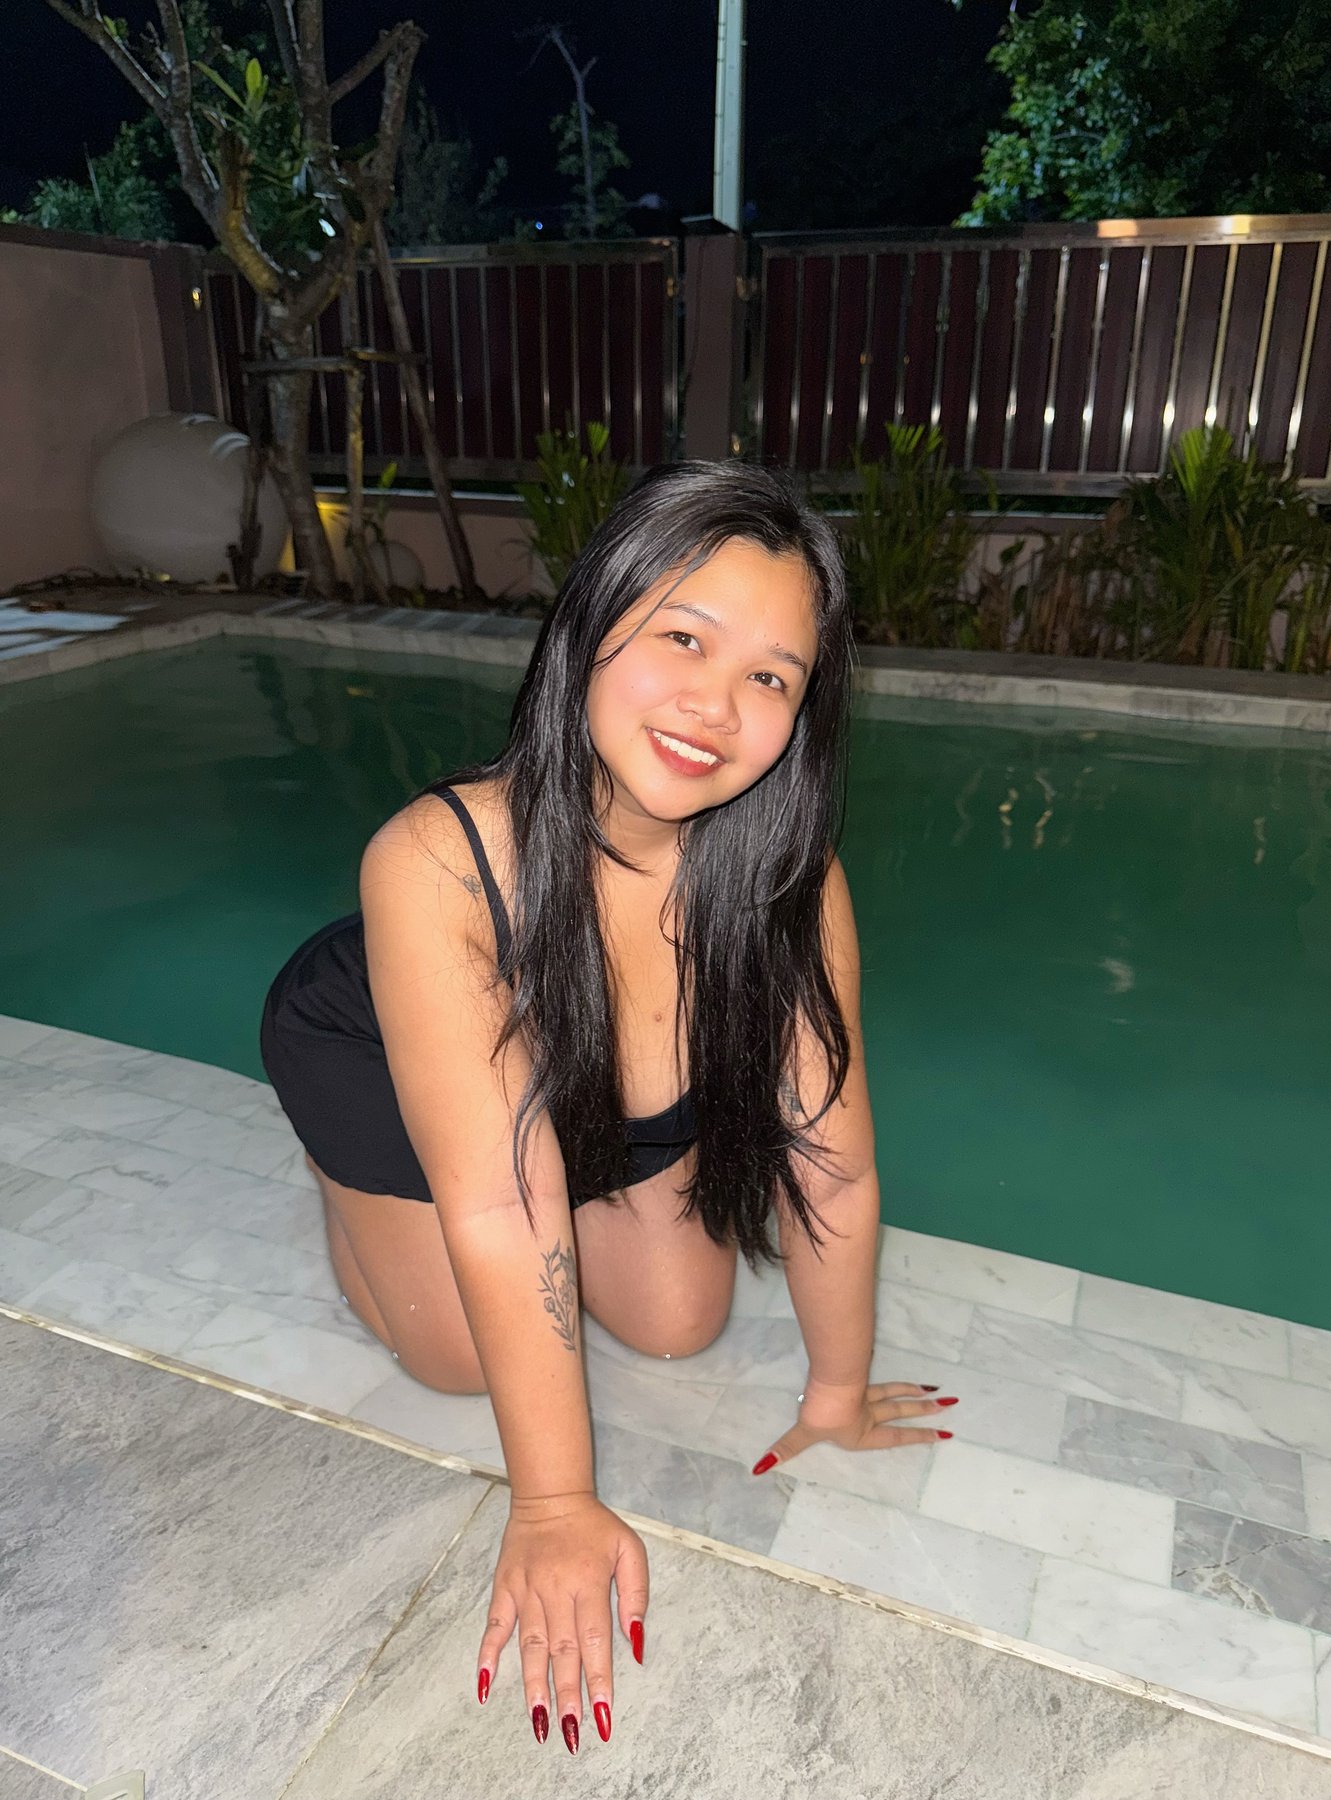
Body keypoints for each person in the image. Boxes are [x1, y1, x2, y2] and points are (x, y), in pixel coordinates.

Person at [259, 459, 956, 1757]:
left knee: (681, 1324)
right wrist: (553, 1504)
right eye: (684, 637)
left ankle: (565, 1149)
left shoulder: (788, 886)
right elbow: (498, 1205)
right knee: (455, 1358)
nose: (716, 704)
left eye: (772, 677)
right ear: (591, 627)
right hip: (375, 1050)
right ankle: (350, 1196)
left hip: (585, 1080)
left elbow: (833, 1169)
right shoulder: (437, 859)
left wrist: (837, 1389)